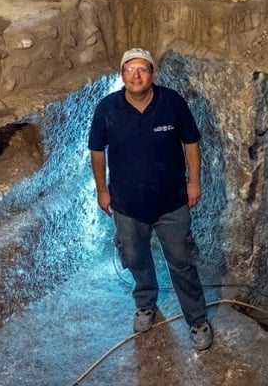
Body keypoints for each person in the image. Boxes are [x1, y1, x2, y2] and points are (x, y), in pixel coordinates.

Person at [88, 48, 214, 351]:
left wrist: (194, 182)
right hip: (128, 205)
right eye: (129, 70)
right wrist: (101, 190)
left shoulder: (172, 103)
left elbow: (191, 142)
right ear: (122, 76)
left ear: (152, 74)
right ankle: (145, 303)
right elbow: (97, 150)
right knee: (134, 257)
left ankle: (197, 320)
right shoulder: (107, 109)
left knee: (182, 262)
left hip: (172, 202)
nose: (136, 75)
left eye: (142, 69)